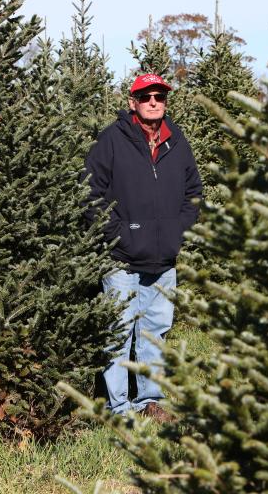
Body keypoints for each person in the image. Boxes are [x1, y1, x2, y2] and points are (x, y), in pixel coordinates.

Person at [84, 73, 203, 421]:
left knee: (155, 331)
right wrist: (116, 233)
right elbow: (90, 193)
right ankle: (118, 408)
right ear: (132, 102)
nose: (154, 101)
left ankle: (151, 400)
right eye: (146, 96)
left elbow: (193, 193)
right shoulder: (111, 140)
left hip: (164, 258)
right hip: (121, 258)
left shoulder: (176, 141)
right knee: (118, 332)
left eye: (160, 96)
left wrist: (177, 232)